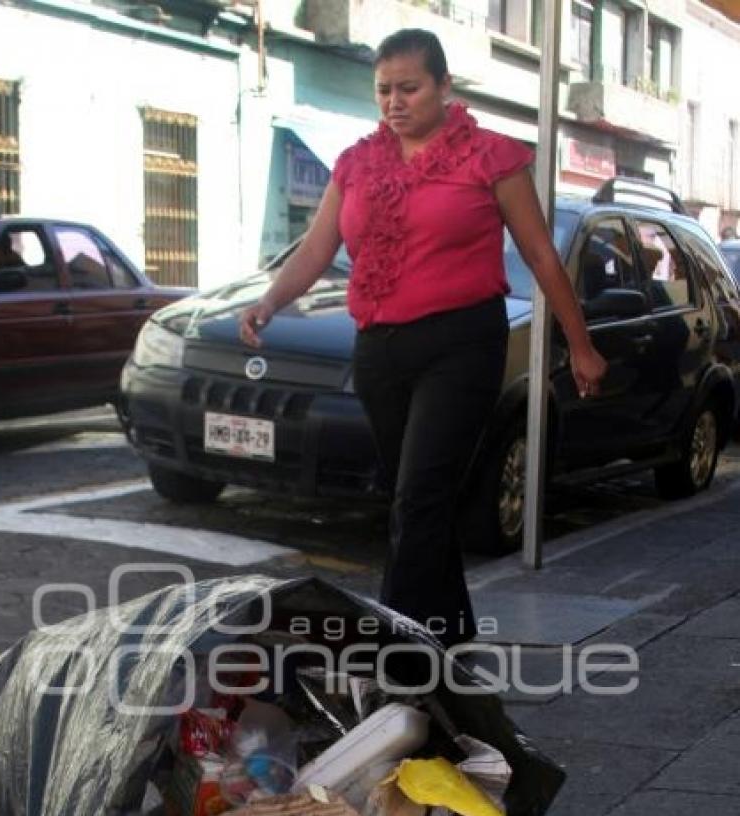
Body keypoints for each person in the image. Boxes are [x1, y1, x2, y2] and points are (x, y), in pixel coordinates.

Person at [239, 27, 607, 646]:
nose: (394, 101)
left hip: (462, 344)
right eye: (383, 89)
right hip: (381, 349)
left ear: (444, 87)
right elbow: (317, 248)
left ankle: (391, 657)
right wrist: (270, 300)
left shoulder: (491, 157)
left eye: (409, 87)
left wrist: (582, 344)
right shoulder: (356, 163)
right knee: (417, 501)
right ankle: (451, 638)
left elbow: (542, 256)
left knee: (418, 498)